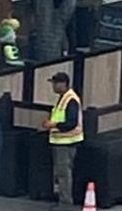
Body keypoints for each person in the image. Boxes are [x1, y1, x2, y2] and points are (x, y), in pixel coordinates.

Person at [42, 72, 83, 210]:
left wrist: (53, 125)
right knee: (60, 173)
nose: (53, 86)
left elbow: (71, 122)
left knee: (64, 174)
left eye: (55, 83)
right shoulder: (64, 98)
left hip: (66, 142)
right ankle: (62, 200)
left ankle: (65, 203)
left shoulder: (70, 99)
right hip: (60, 142)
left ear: (63, 84)